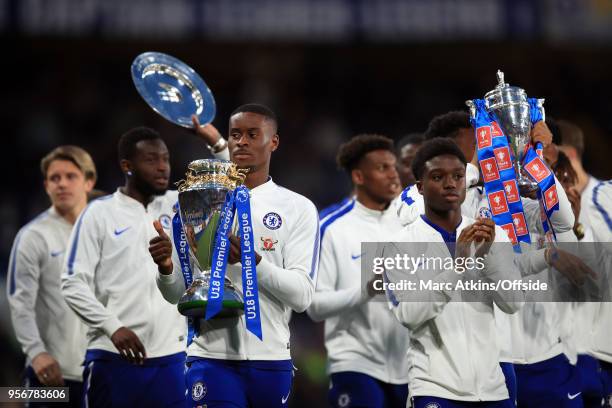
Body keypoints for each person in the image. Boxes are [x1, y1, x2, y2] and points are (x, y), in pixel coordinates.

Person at [150, 103, 320, 408]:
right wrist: (165, 269)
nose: (241, 141)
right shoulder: (198, 202)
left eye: (252, 135)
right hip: (209, 358)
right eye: (235, 135)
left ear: (274, 142)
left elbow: (302, 297)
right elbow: (177, 294)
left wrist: (253, 263)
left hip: (271, 359)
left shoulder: (297, 208)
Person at [384, 138, 522, 408]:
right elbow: (409, 316)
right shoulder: (399, 245)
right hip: (435, 387)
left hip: (492, 388)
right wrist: (458, 266)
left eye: (458, 176)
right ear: (421, 187)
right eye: (438, 177)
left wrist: (488, 256)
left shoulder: (492, 235)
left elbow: (513, 303)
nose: (450, 184)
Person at [61, 127, 187, 407]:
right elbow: (72, 282)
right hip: (113, 358)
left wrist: (215, 142)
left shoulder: (180, 206)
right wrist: (112, 327)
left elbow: (230, 191)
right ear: (127, 166)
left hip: (174, 359)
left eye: (165, 158)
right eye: (151, 160)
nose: (162, 167)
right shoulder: (99, 213)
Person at [307, 134, 408, 408]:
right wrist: (368, 288)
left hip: (412, 366)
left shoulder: (411, 221)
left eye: (393, 166)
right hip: (355, 363)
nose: (393, 175)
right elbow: (315, 305)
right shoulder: (330, 227)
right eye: (382, 168)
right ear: (359, 177)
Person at [7, 146, 96, 407]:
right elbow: (19, 303)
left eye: (71, 176)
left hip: (100, 372)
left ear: (89, 182)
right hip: (48, 375)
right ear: (46, 186)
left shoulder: (103, 233)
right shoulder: (32, 236)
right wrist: (36, 354)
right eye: (54, 178)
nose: (62, 184)